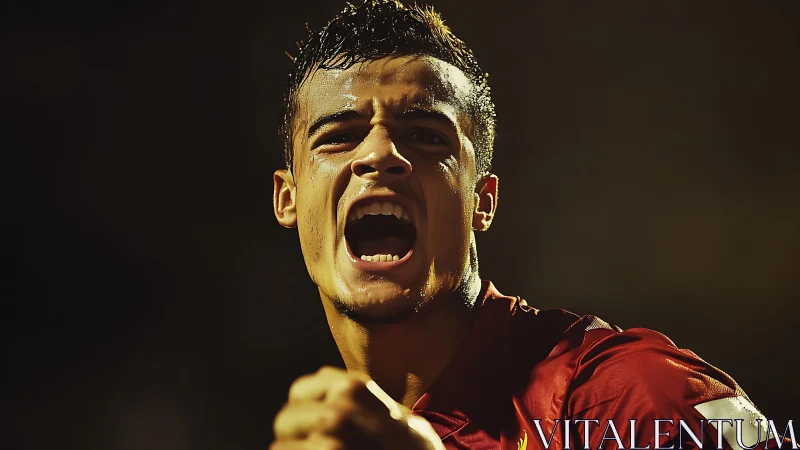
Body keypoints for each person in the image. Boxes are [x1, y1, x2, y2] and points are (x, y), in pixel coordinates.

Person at [270, 1, 786, 449]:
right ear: (288, 199)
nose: (381, 153)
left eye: (426, 136)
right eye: (338, 136)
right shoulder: (318, 435)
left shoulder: (633, 396)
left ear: (482, 202)